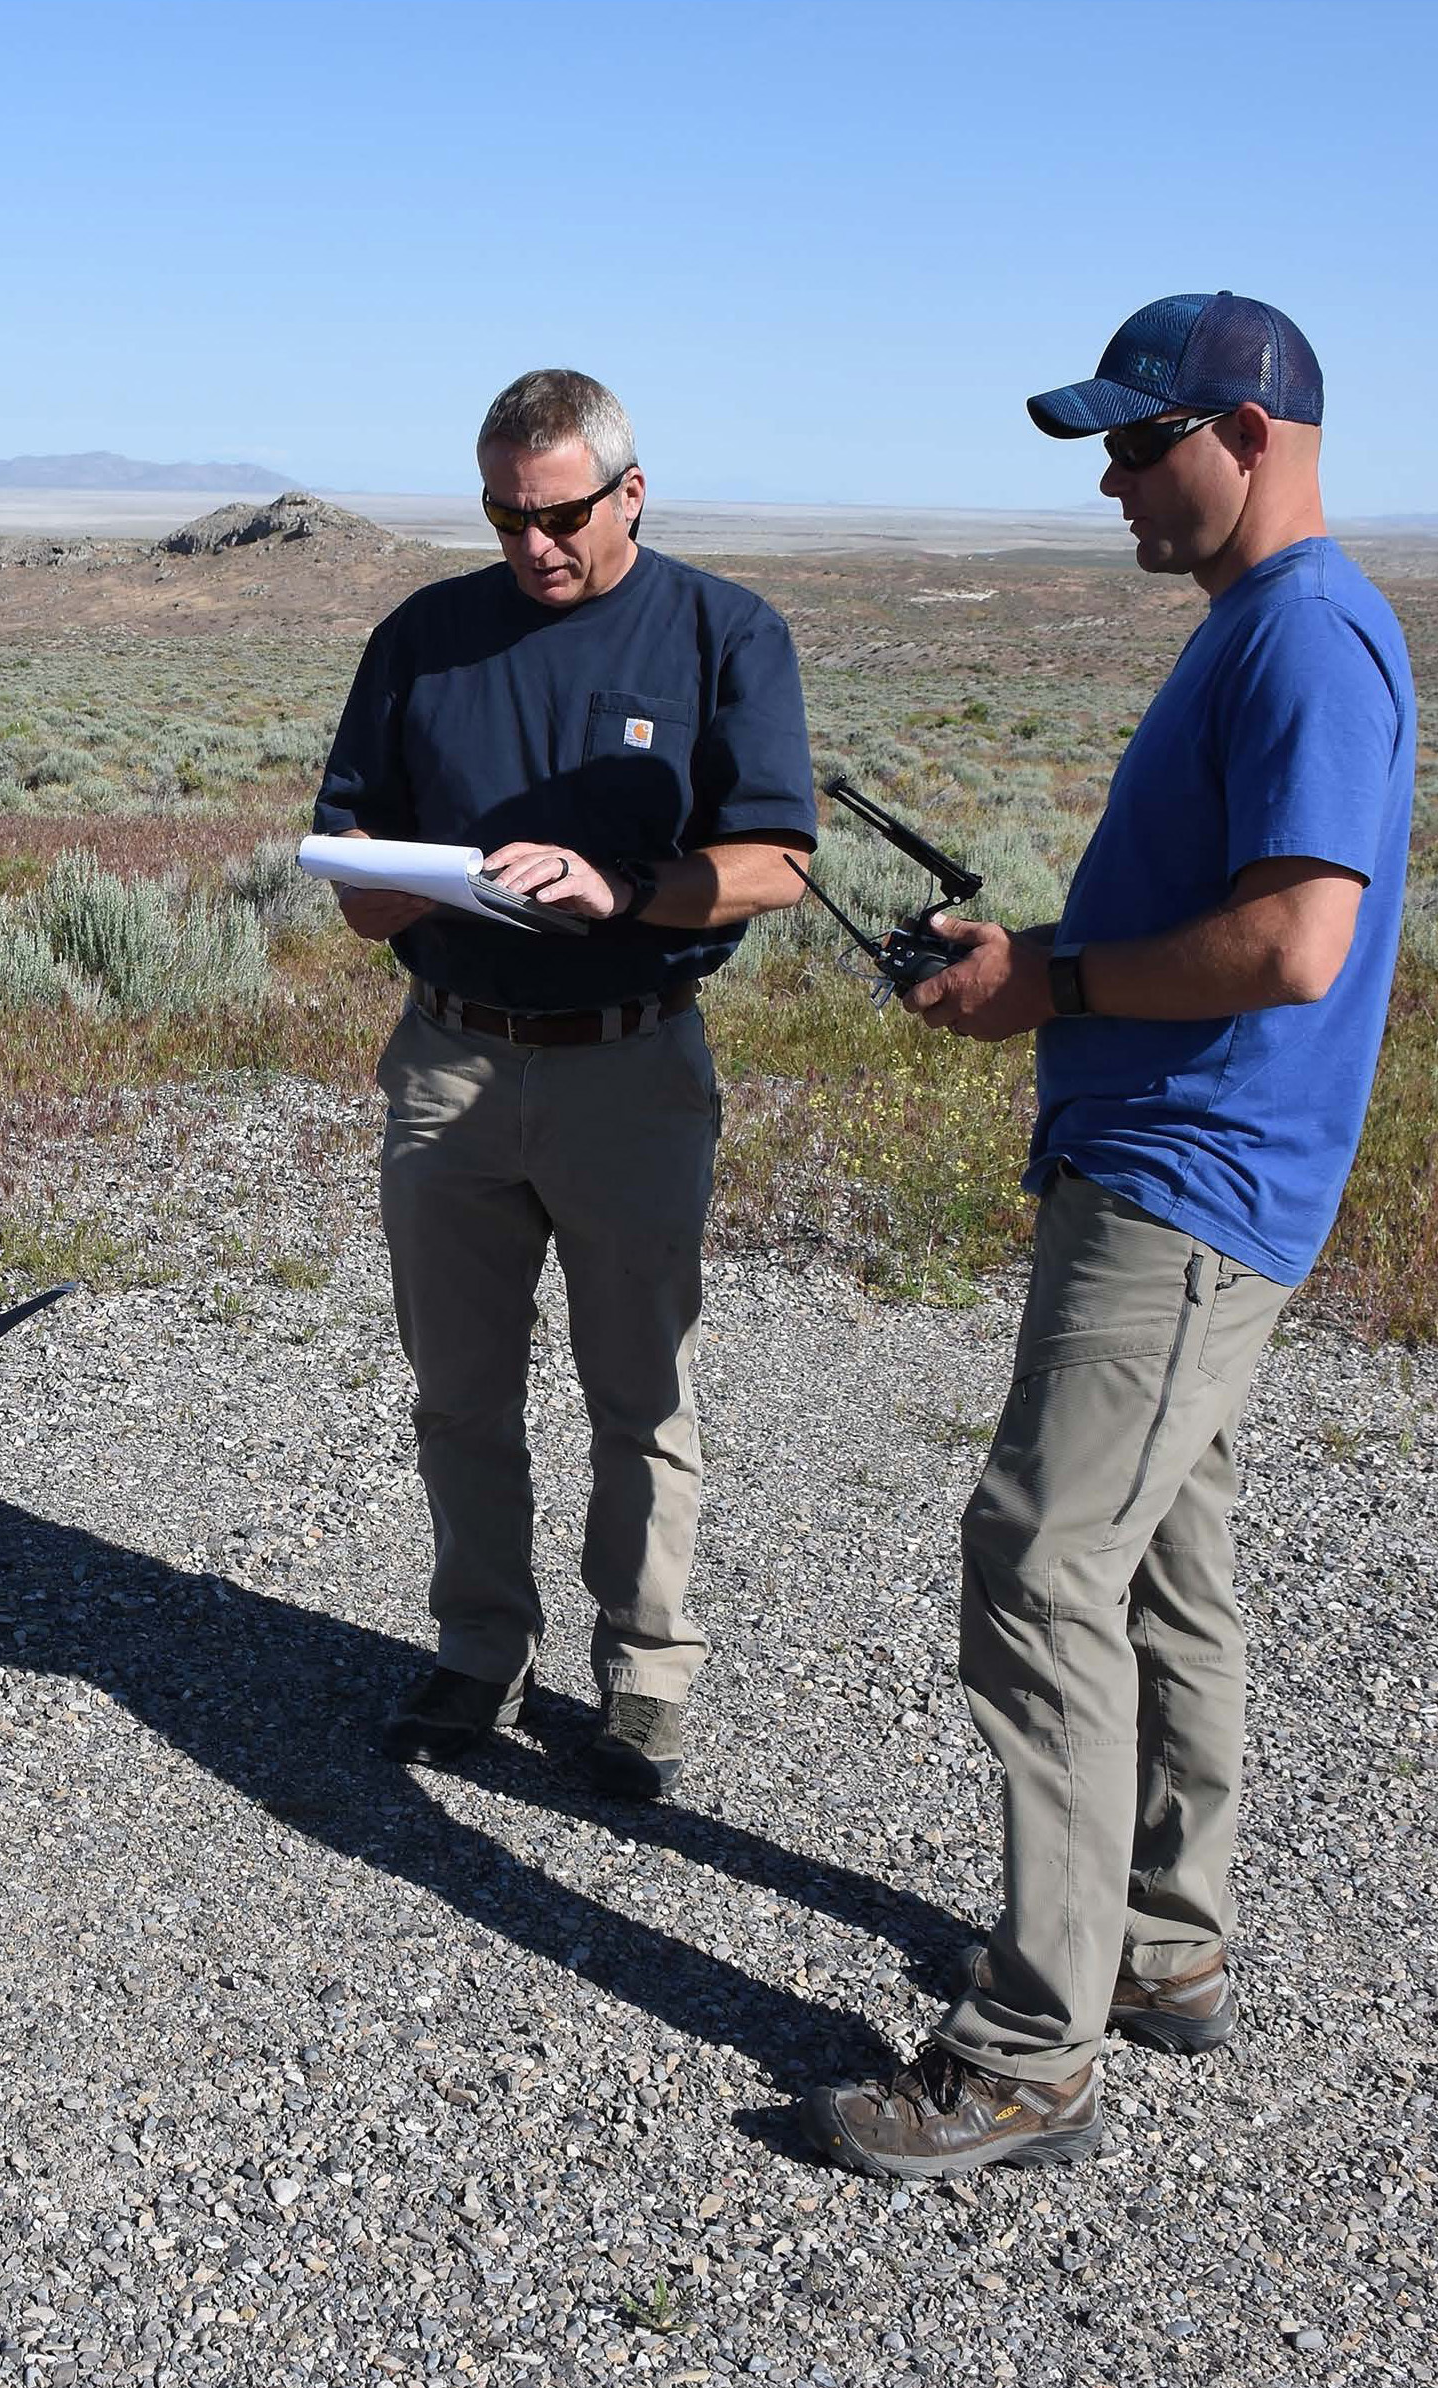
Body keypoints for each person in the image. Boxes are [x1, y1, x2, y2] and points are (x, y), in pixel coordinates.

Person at [801, 293, 1419, 2178]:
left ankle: (1023, 2049)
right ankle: (1158, 1942)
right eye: (1102, 451)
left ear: (1243, 431)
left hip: (1187, 1185)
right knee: (1160, 1569)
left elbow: (1294, 941)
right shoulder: (1266, 625)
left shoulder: (1302, 632)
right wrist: (1041, 987)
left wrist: (1046, 979)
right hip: (1176, 1168)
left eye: (1136, 446)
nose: (1110, 484)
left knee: (1037, 1563)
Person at [316, 368, 815, 1801]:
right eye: (503, 515)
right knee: (456, 1389)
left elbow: (777, 859)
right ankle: (479, 1651)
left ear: (629, 492)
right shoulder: (423, 635)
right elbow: (351, 850)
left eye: (559, 515)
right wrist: (392, 887)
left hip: (629, 1066)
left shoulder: (723, 633)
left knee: (638, 1390)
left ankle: (645, 1677)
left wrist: (625, 888)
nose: (532, 545)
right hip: (448, 1056)